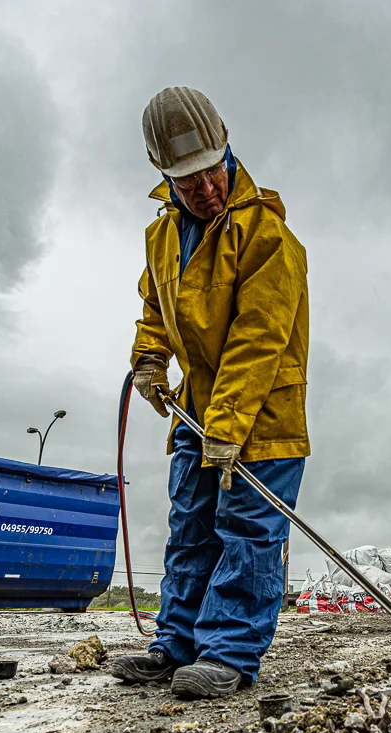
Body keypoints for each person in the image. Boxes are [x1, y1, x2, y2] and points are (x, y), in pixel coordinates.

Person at [110, 87, 309, 697]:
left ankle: (228, 653)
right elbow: (155, 306)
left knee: (248, 533)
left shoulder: (266, 234)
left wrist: (227, 425)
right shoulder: (162, 237)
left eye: (211, 171)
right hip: (197, 412)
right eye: (188, 179)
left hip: (261, 415)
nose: (205, 188)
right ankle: (175, 645)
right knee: (191, 529)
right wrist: (150, 358)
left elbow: (259, 337)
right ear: (163, 174)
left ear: (226, 148)